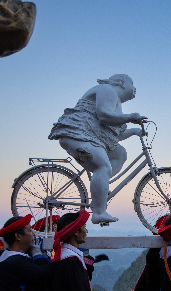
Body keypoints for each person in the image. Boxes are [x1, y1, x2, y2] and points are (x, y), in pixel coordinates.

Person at [49, 74, 146, 224]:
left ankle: (100, 186)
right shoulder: (107, 90)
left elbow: (114, 136)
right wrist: (130, 117)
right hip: (77, 134)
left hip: (88, 137)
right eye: (132, 83)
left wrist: (133, 131)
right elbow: (103, 116)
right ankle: (99, 213)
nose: (135, 88)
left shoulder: (117, 103)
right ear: (121, 83)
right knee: (102, 166)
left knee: (120, 154)